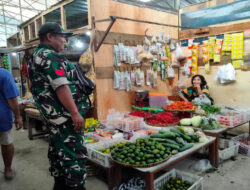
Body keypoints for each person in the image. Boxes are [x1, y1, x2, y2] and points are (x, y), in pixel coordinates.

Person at [28, 22, 90, 190]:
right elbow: (61, 86)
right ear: (50, 37)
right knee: (73, 159)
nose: (65, 41)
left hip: (56, 120)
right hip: (66, 120)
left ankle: (61, 186)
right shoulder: (51, 56)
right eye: (63, 36)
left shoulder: (37, 55)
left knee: (59, 156)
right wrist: (75, 113)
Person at [0, 68, 23, 180]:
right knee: (6, 142)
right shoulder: (3, 74)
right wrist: (18, 116)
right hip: (2, 117)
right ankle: (8, 170)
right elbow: (12, 98)